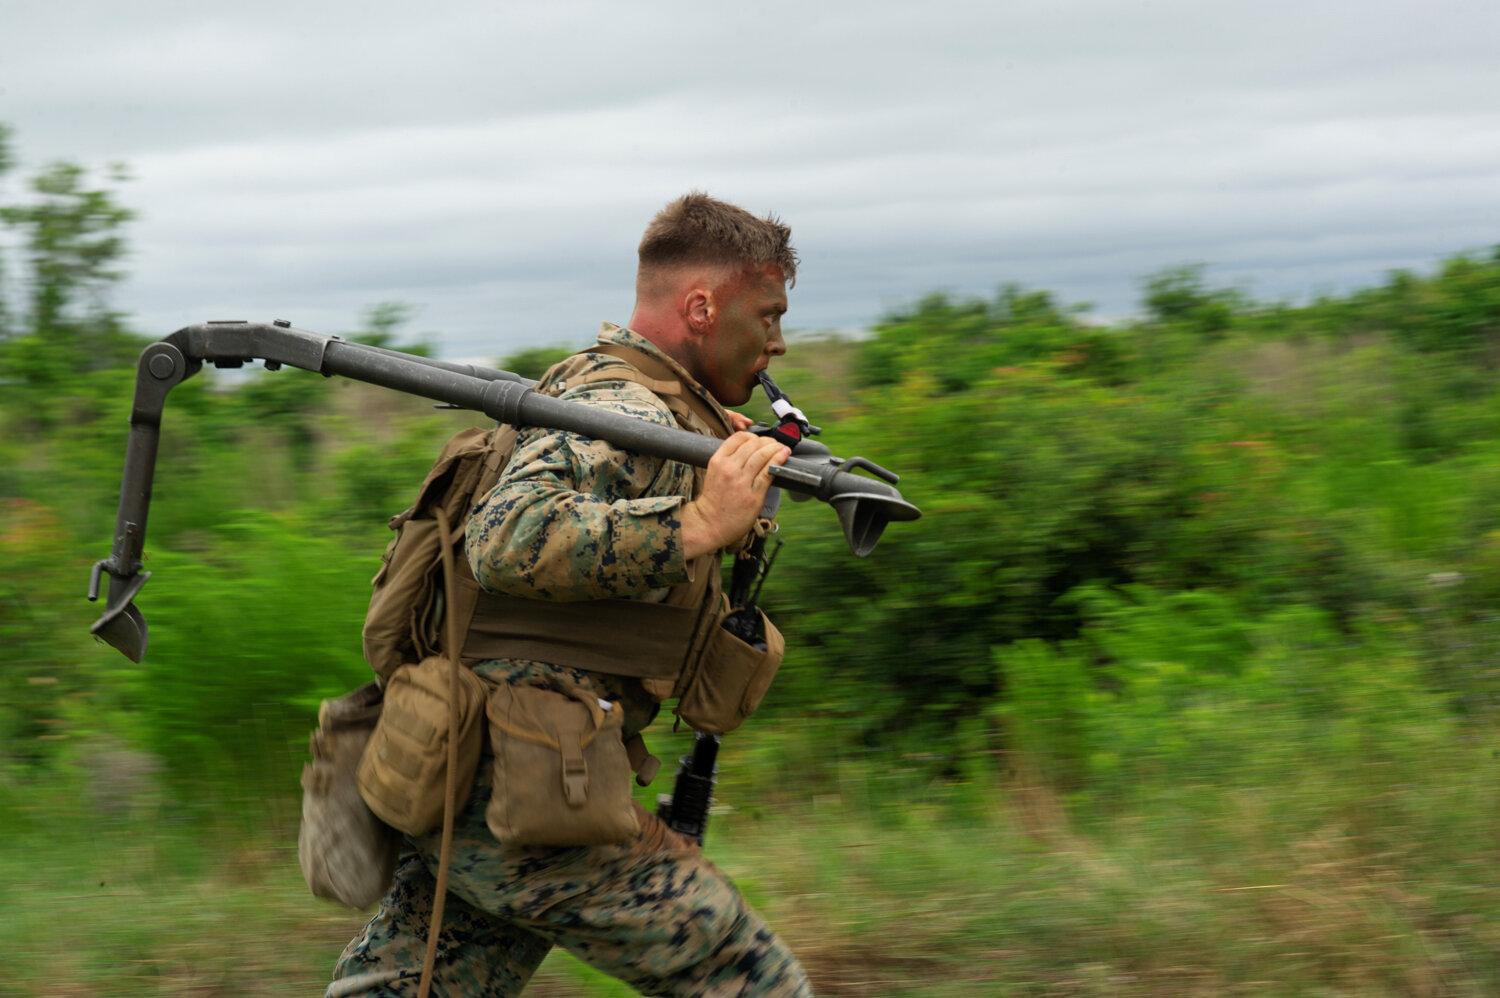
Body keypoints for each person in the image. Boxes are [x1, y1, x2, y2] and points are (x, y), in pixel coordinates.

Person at [327, 193, 813, 997]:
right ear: (701, 306)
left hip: (500, 783)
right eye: (767, 316)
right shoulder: (617, 409)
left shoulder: (642, 407)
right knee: (748, 977)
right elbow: (507, 536)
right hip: (523, 797)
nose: (779, 343)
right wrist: (695, 524)